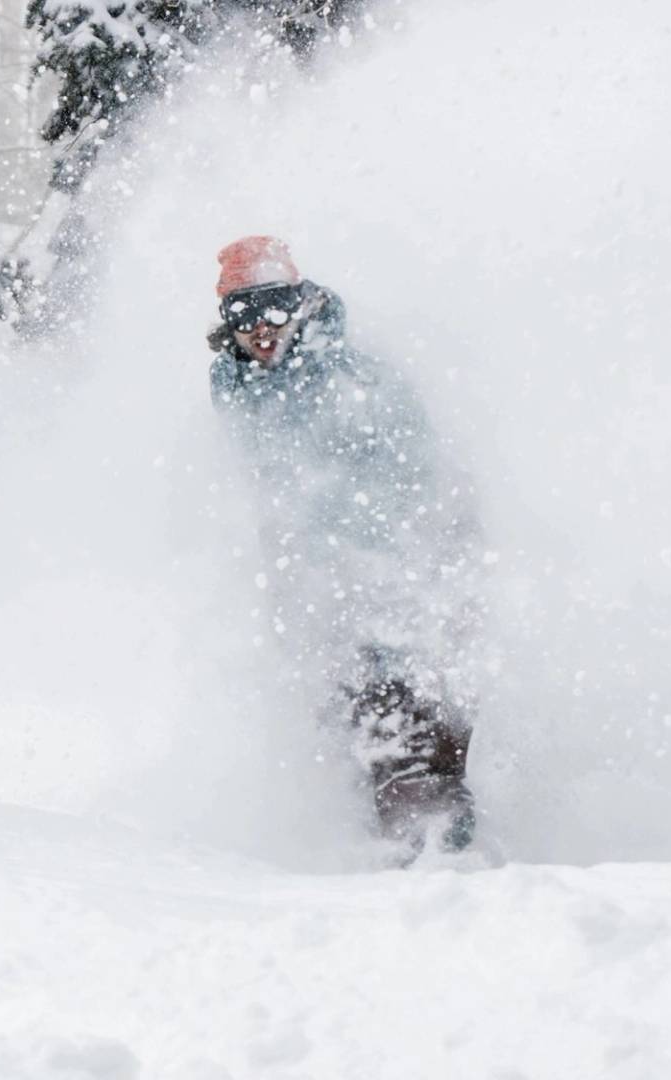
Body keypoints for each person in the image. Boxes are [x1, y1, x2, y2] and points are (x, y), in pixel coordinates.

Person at [206, 235, 483, 855]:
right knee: (333, 690)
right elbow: (254, 473)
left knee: (402, 675)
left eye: (275, 306)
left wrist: (381, 541)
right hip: (308, 564)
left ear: (302, 304)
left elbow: (419, 469)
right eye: (243, 315)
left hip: (390, 550)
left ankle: (433, 815)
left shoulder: (356, 377)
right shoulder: (233, 383)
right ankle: (382, 818)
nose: (262, 329)